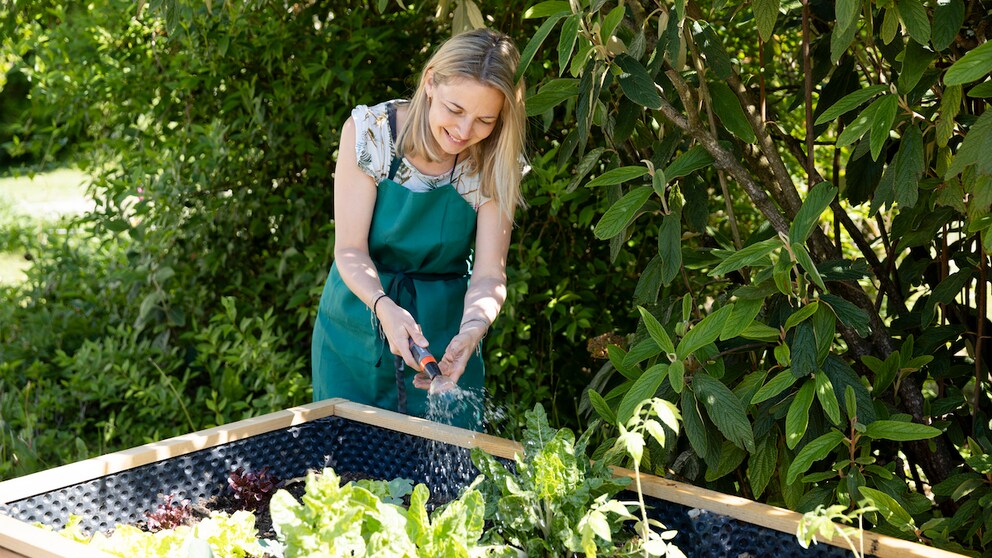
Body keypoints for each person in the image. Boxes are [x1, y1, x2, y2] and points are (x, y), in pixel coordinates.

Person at [310, 28, 526, 428]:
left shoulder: (494, 160)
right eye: (455, 110)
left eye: (484, 120)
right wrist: (384, 307)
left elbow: (490, 275)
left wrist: (473, 329)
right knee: (344, 474)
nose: (464, 132)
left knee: (449, 479)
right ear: (430, 82)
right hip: (358, 322)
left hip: (444, 332)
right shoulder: (371, 135)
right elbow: (350, 251)